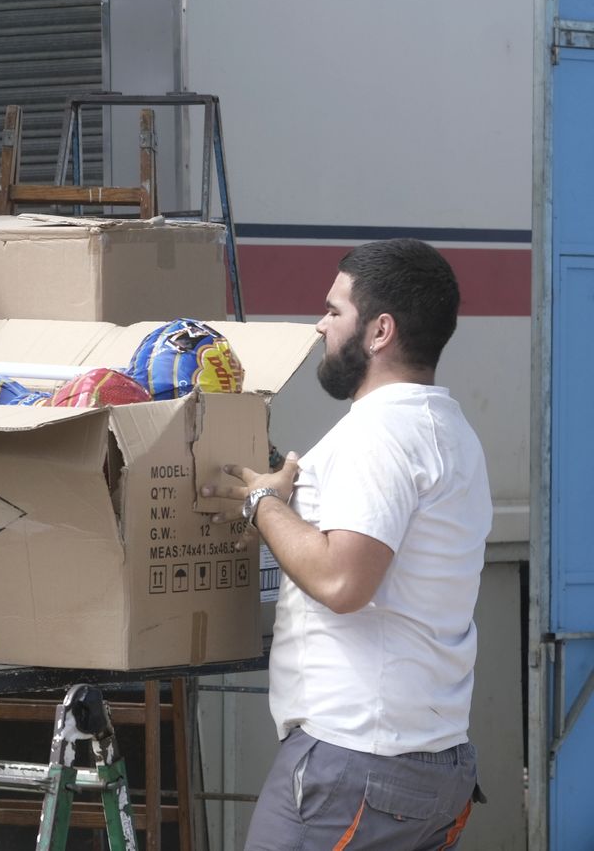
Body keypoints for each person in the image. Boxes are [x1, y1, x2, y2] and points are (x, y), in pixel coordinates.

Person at [202, 238, 490, 849]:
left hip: (357, 763)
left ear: (380, 331)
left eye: (335, 311)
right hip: (429, 760)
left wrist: (262, 504)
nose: (320, 325)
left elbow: (342, 580)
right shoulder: (449, 430)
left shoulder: (378, 435)